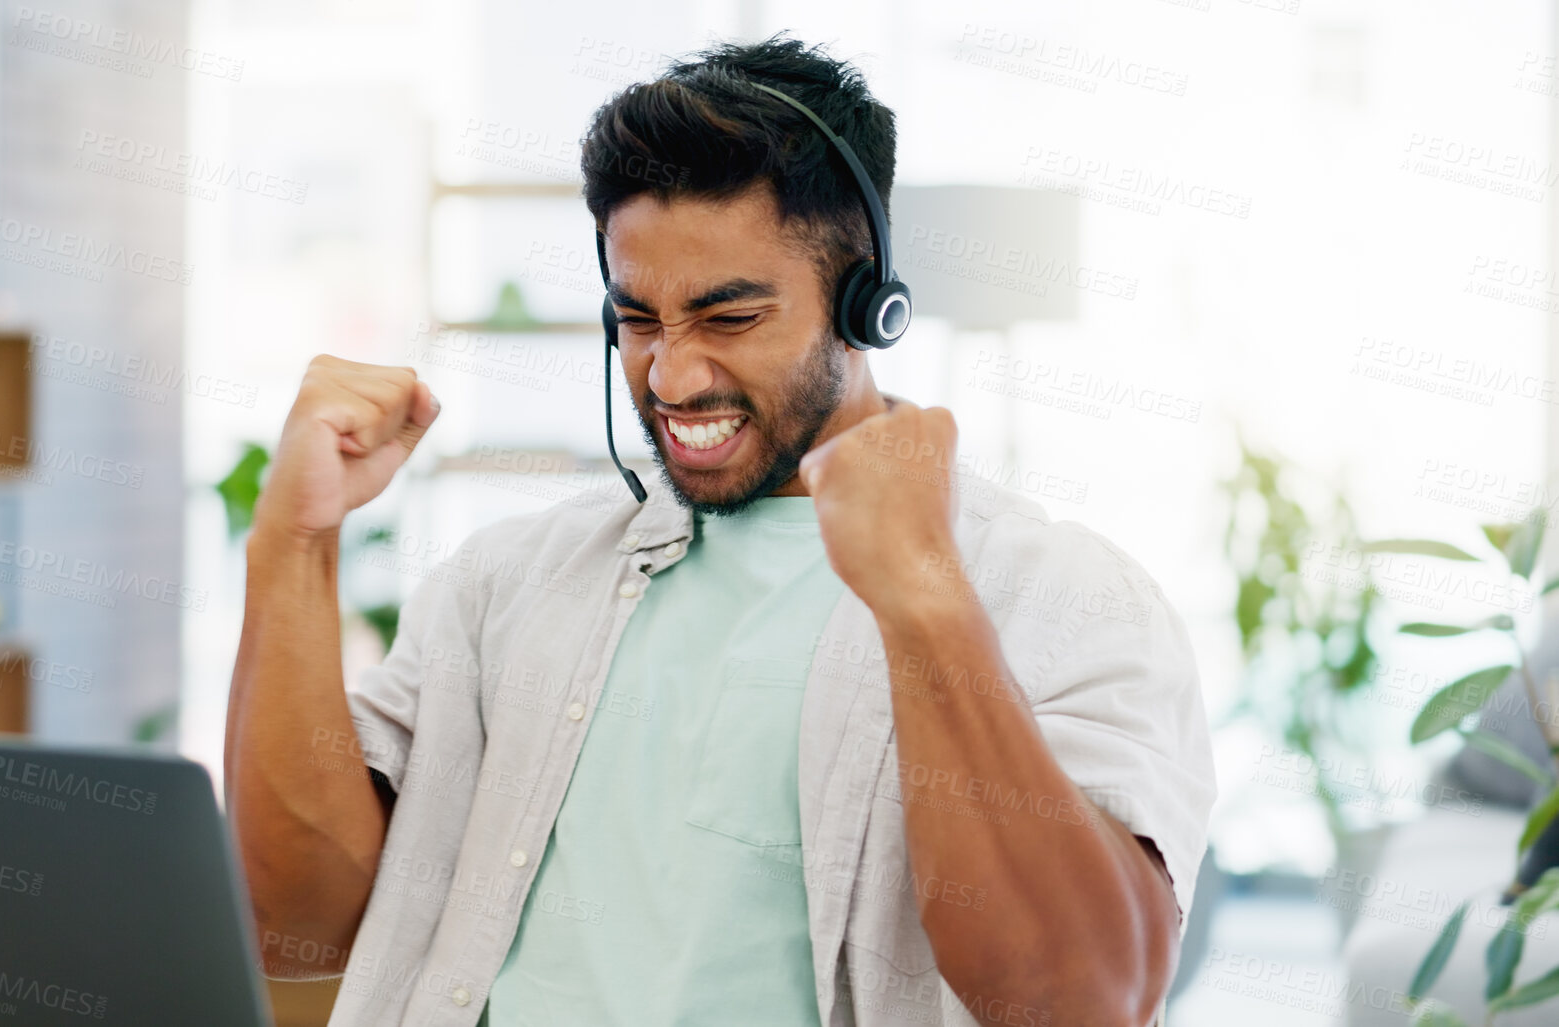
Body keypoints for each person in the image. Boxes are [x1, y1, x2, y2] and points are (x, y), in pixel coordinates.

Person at [226, 35, 1215, 1027]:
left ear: (868, 303)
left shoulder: (1063, 593)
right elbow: (295, 922)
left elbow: (1082, 1000)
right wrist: (294, 542)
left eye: (729, 317)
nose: (672, 375)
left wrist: (924, 597)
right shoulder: (506, 583)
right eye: (638, 318)